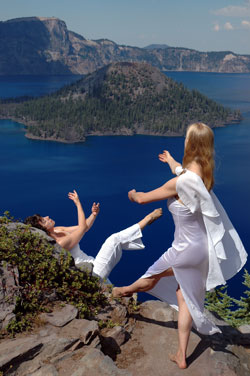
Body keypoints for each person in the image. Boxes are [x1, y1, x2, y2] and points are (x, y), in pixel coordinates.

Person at [112, 122, 247, 369]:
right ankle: (181, 355)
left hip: (183, 249)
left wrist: (132, 194)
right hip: (201, 251)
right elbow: (183, 173)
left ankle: (121, 291)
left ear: (191, 144)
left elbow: (143, 199)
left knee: (152, 275)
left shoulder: (179, 183)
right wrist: (171, 161)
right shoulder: (204, 174)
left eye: (186, 138)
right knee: (183, 296)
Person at [24, 190, 163, 282]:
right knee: (114, 240)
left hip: (94, 265)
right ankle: (147, 219)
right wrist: (78, 203)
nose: (47, 217)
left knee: (111, 294)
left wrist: (93, 215)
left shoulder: (59, 229)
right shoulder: (60, 244)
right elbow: (82, 228)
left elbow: (83, 228)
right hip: (91, 274)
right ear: (42, 229)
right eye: (43, 220)